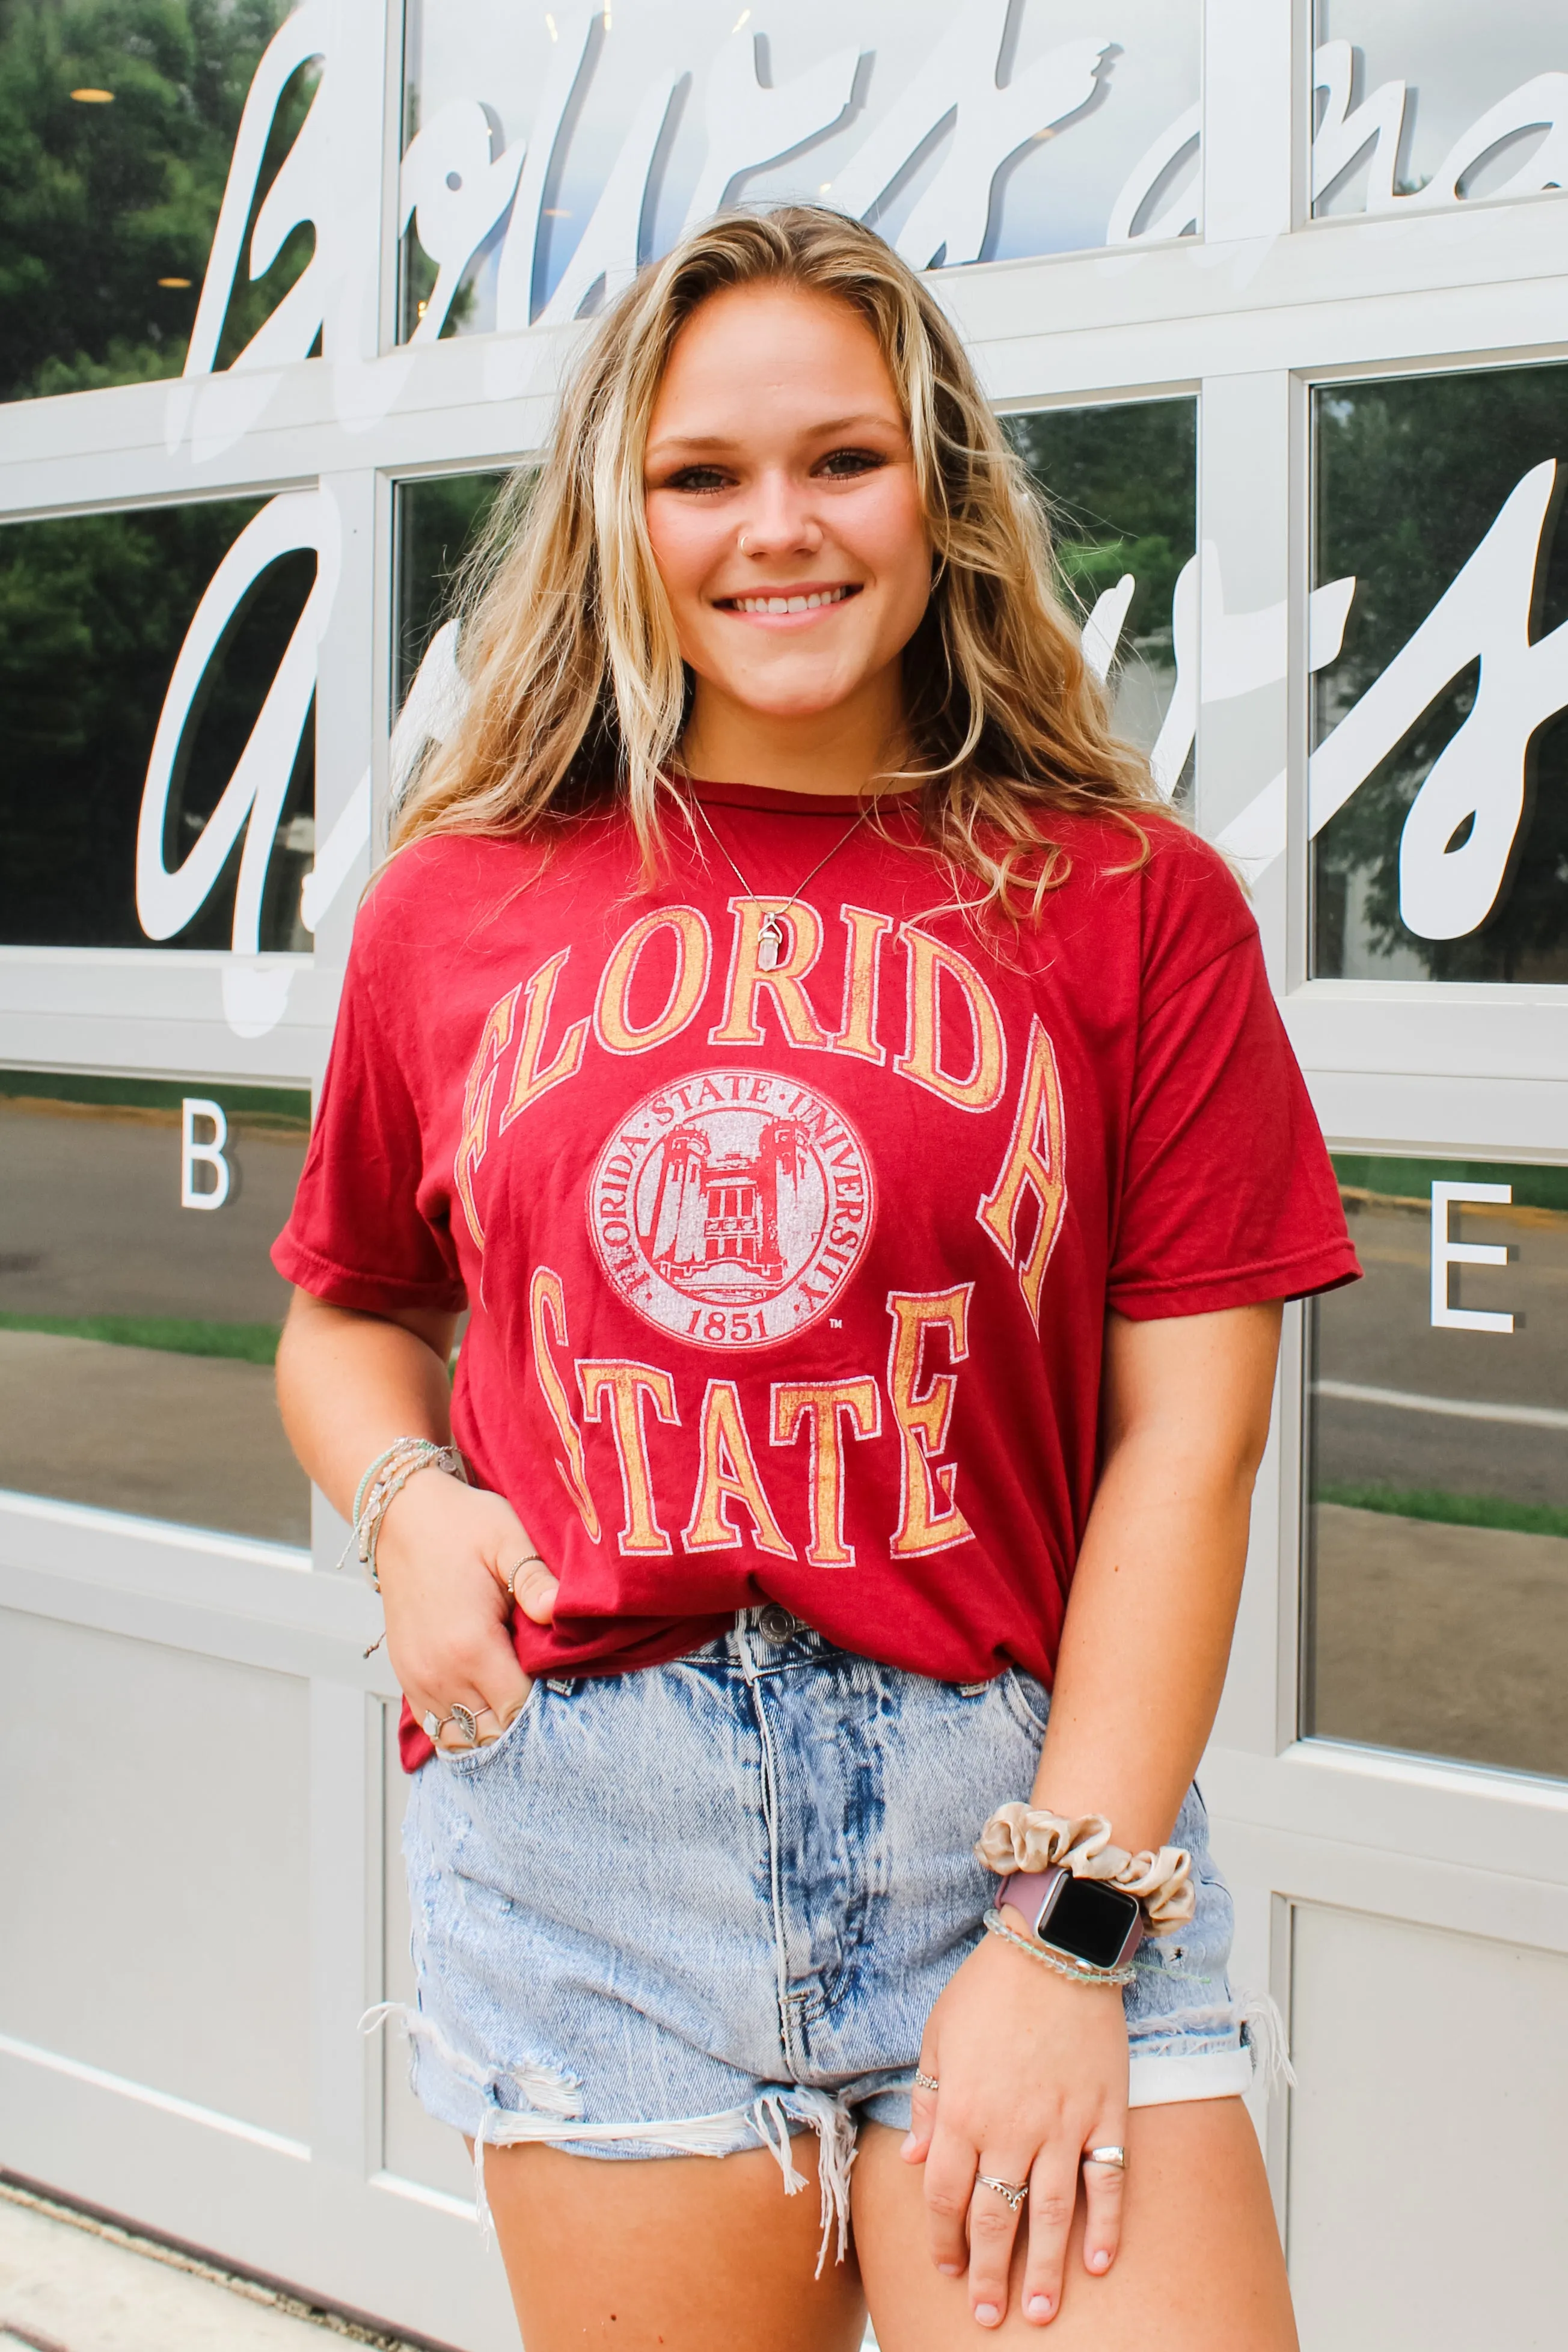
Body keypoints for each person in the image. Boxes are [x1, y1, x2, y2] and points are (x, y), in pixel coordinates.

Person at [273, 206, 1356, 2350]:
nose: (779, 529)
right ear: (622, 511)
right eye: (705, 476)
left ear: (941, 493)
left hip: (1024, 1813)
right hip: (594, 1837)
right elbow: (347, 1312)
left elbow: (1191, 1450)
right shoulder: (458, 901)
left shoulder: (1130, 902)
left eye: (843, 461)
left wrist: (1064, 1944)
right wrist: (405, 1510)